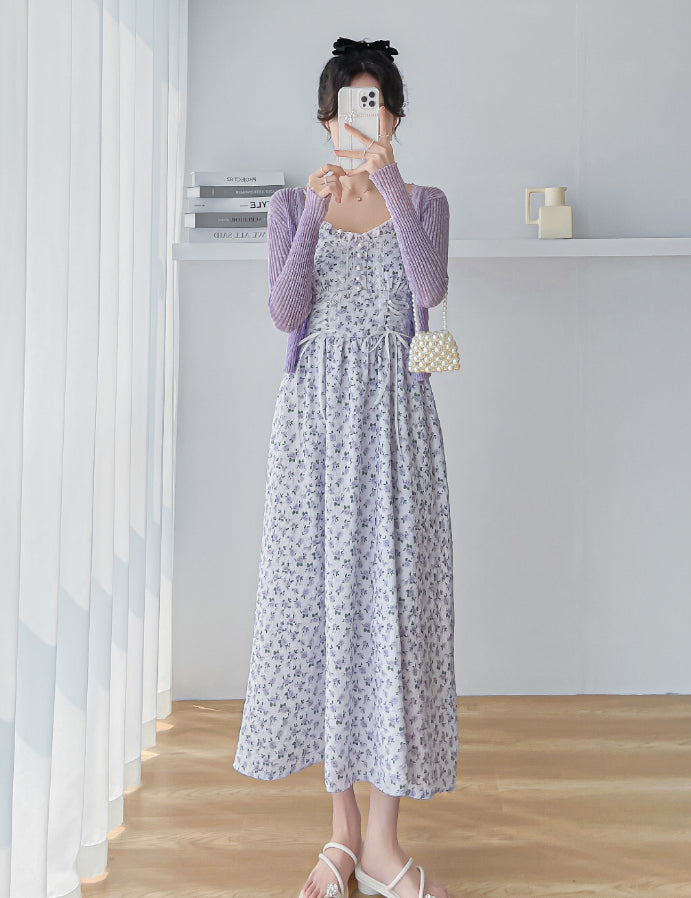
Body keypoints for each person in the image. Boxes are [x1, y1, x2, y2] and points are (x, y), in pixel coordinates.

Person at [232, 36, 458, 898]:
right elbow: (284, 309)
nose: (360, 122)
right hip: (315, 436)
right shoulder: (293, 206)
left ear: (393, 116)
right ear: (326, 121)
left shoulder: (425, 202)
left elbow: (428, 290)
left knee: (394, 616)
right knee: (324, 615)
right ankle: (343, 832)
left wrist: (388, 182)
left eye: (375, 105)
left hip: (397, 433)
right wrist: (318, 214)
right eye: (347, 108)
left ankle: (385, 843)